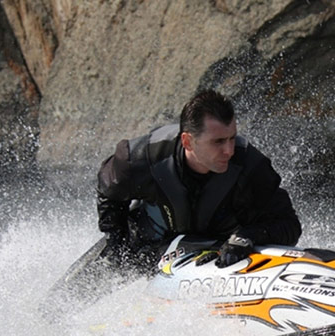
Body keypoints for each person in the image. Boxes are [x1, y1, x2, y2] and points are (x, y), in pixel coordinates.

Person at [95, 88, 302, 271]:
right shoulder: (142, 158)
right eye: (218, 141)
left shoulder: (251, 166)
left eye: (232, 138)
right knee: (74, 292)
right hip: (143, 245)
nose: (229, 151)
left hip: (219, 257)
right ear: (188, 141)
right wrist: (117, 246)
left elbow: (289, 225)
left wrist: (247, 236)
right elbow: (108, 192)